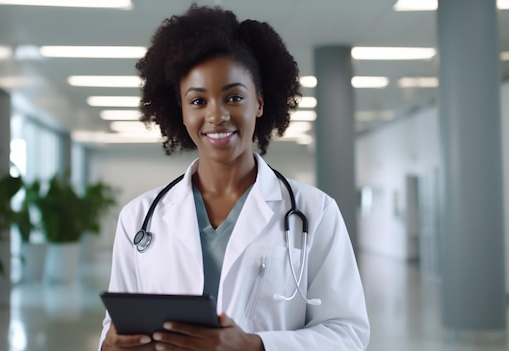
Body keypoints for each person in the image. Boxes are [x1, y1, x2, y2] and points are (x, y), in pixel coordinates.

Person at [99, 4, 370, 350]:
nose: (217, 115)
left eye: (234, 97)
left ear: (258, 102)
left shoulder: (315, 212)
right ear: (180, 110)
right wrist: (110, 345)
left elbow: (348, 334)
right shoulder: (139, 218)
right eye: (198, 101)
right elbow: (114, 329)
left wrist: (257, 346)